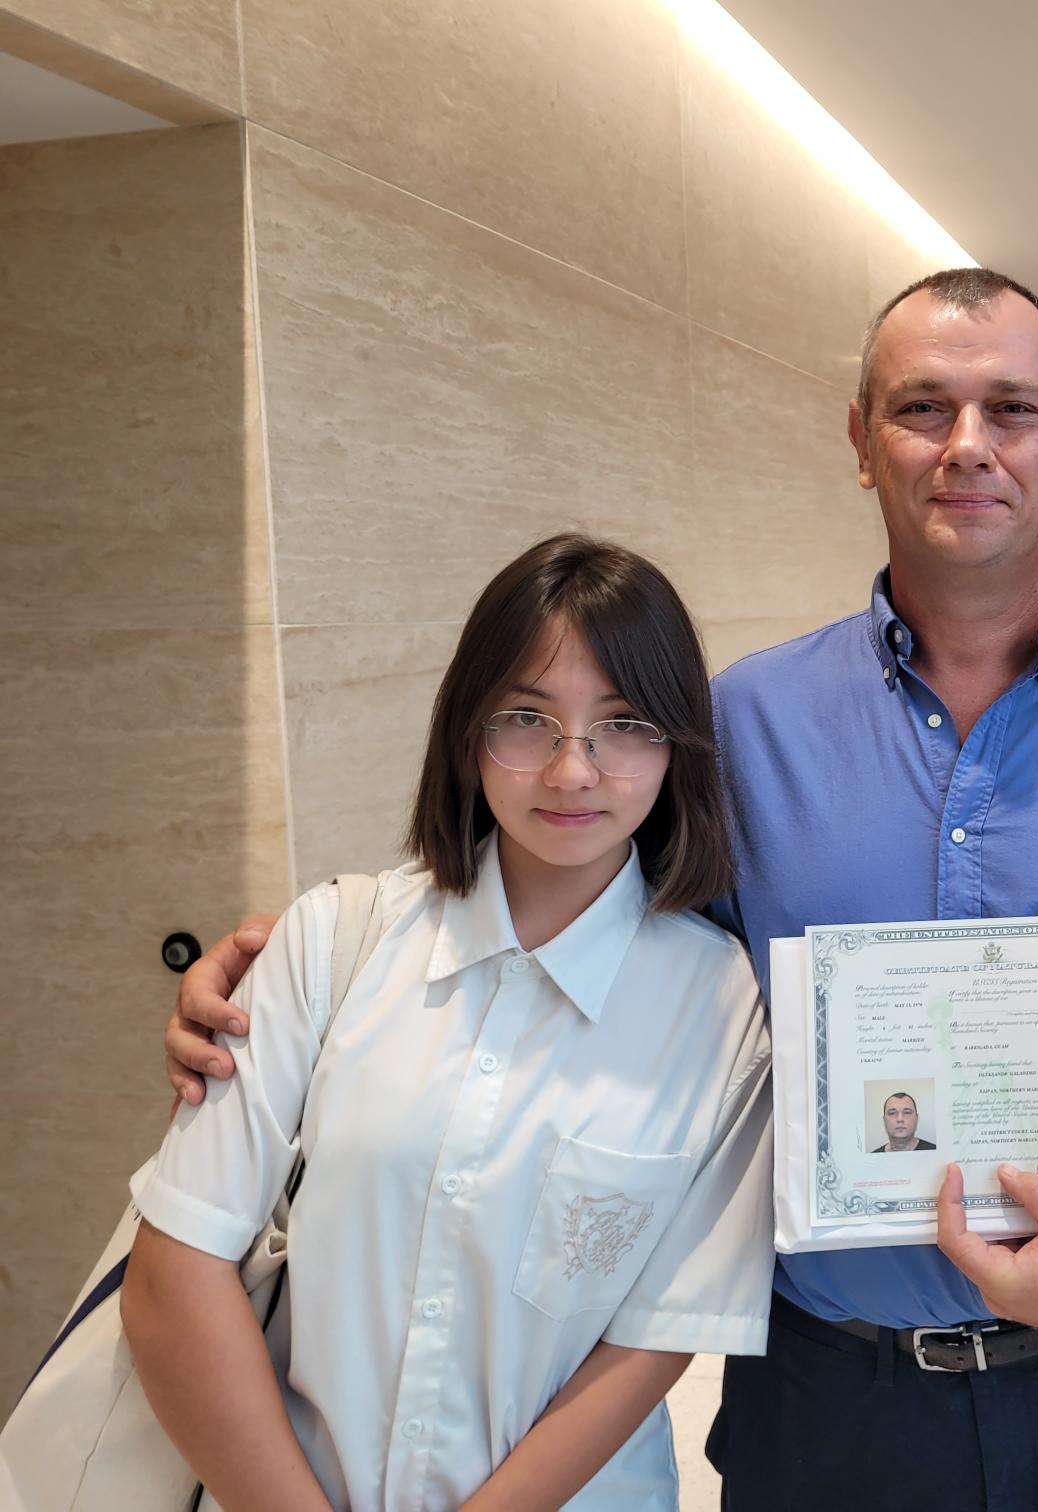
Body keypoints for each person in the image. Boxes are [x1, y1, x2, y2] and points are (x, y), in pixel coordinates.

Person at [165, 269, 1038, 1510]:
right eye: (921, 409)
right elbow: (573, 918)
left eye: (1011, 409)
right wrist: (296, 983)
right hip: (828, 1409)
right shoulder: (739, 728)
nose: (968, 447)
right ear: (858, 440)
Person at [127, 535, 773, 1510]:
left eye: (624, 723)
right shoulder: (329, 943)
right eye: (526, 719)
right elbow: (176, 1270)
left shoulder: (721, 1006)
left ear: (677, 743)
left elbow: (655, 1336)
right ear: (468, 730)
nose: (571, 771)